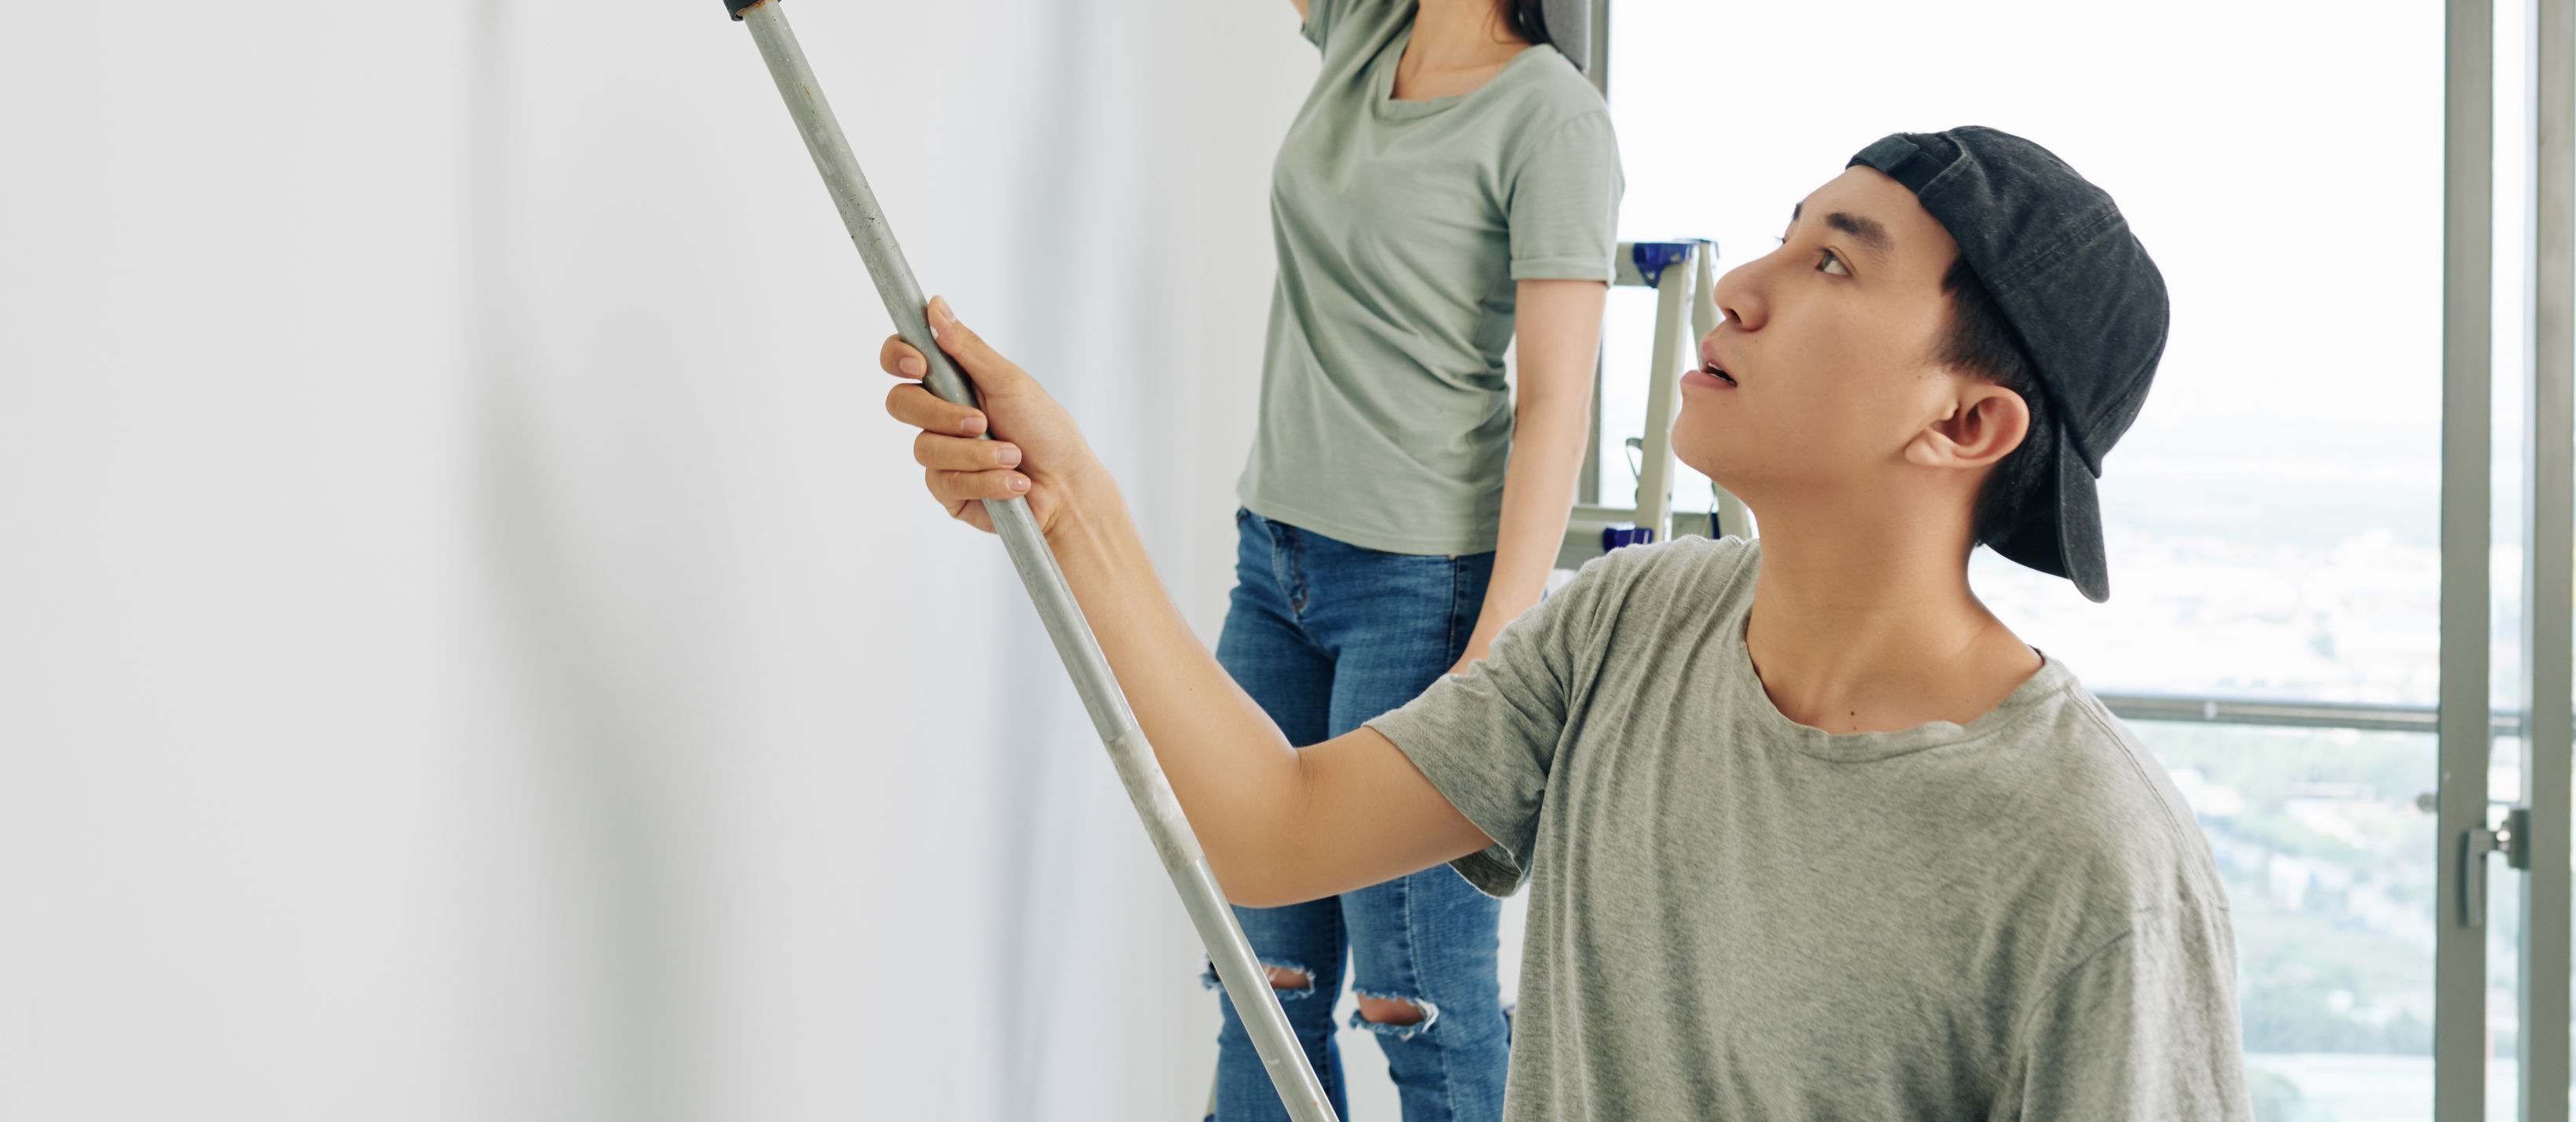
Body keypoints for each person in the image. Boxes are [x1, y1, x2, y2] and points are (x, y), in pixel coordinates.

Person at [879, 127, 2250, 1119]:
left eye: (1833, 264)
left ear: (1967, 422)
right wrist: (1076, 515)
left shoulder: (2089, 860)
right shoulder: (1630, 628)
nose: (1740, 285)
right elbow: (1278, 827)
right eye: (1783, 233)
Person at [1056, 0, 1653, 1120]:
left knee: (1420, 998)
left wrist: (1497, 645)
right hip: (1282, 564)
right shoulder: (1363, 22)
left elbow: (1559, 403)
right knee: (1261, 976)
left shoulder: (1554, 123)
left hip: (1426, 590)